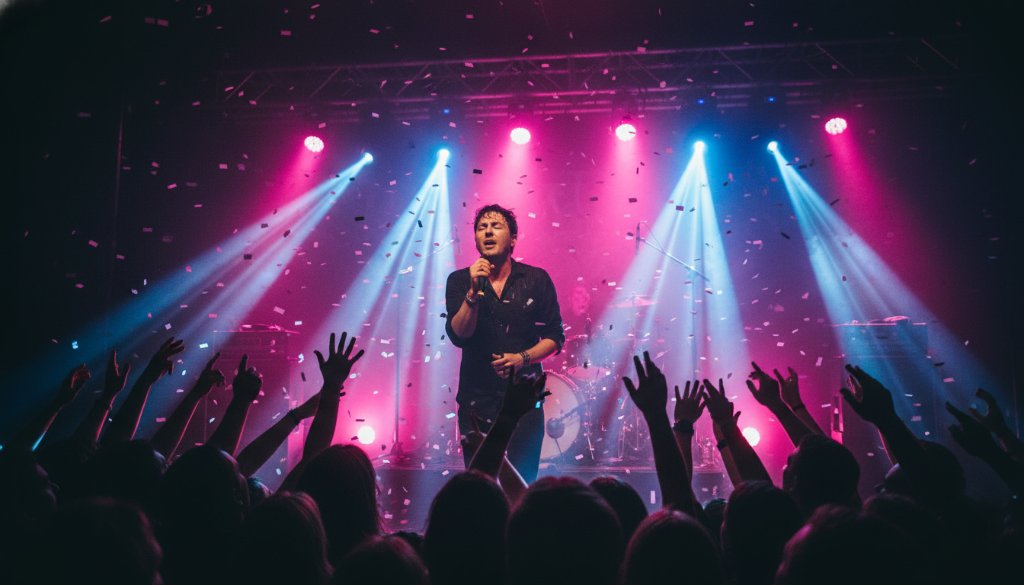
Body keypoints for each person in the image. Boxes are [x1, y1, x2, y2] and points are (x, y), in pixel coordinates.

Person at [445, 204, 565, 483]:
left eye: (496, 225)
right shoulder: (459, 281)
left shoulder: (536, 279)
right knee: (479, 487)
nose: (487, 231)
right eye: (481, 227)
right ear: (475, 239)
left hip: (523, 401)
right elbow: (459, 335)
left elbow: (555, 337)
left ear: (512, 238)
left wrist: (522, 358)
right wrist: (473, 293)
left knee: (522, 484)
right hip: (477, 402)